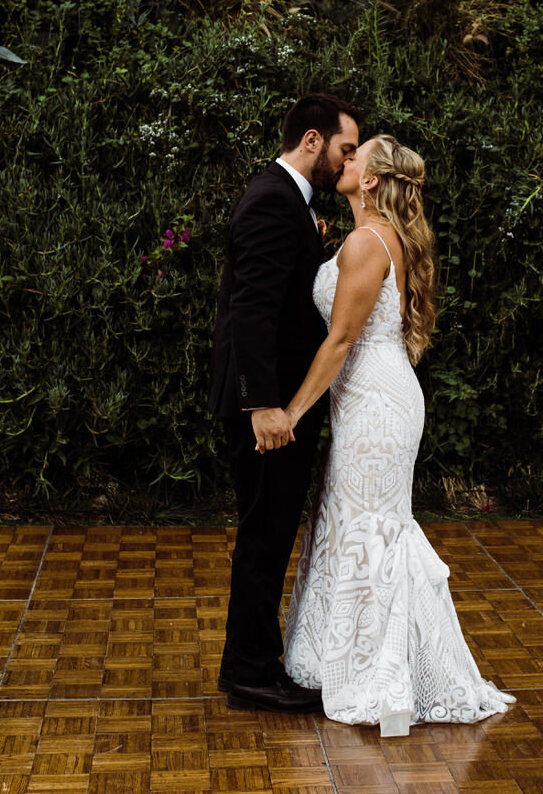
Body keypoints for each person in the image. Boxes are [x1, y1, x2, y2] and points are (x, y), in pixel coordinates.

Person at [281, 135, 513, 737]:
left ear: (370, 180)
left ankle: (378, 673)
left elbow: (341, 340)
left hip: (376, 404)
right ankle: (350, 659)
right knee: (359, 525)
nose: (343, 159)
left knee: (372, 530)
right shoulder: (379, 237)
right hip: (370, 399)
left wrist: (294, 412)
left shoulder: (366, 240)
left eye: (355, 155)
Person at [209, 93, 362, 713]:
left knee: (269, 533)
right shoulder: (275, 200)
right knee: (265, 537)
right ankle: (249, 672)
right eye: (345, 148)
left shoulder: (289, 203)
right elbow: (251, 312)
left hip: (276, 406)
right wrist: (264, 407)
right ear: (311, 142)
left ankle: (250, 662)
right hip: (268, 413)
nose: (347, 159)